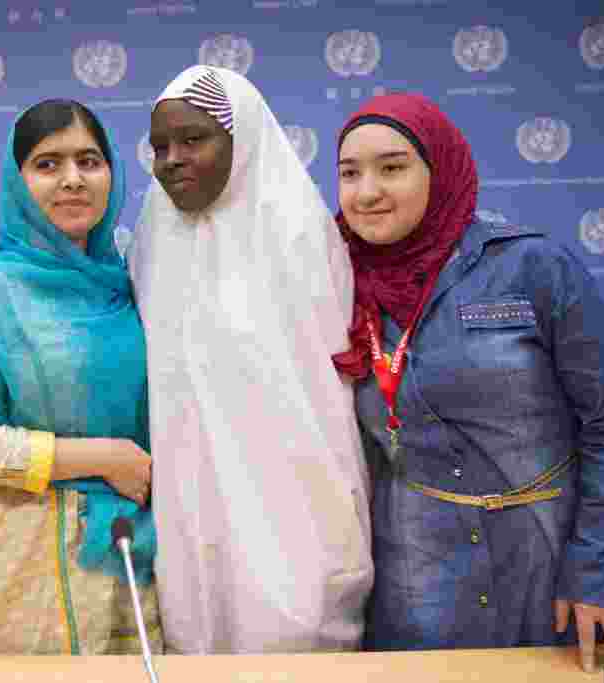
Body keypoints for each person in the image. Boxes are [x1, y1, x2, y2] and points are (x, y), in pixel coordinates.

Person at [331, 92, 604, 672]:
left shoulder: (530, 265)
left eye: (392, 167)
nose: (367, 191)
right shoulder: (332, 282)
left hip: (555, 566)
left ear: (440, 170)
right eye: (349, 173)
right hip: (414, 581)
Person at [127, 65, 373, 654]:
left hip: (298, 518)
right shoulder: (151, 242)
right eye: (160, 146)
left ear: (244, 143)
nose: (171, 160)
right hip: (193, 526)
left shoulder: (301, 237)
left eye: (193, 140)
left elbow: (327, 400)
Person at [0, 99, 161, 655]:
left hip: (133, 552)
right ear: (16, 179)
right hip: (23, 566)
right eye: (48, 164)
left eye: (89, 161)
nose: (73, 180)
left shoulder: (132, 287)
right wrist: (103, 458)